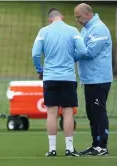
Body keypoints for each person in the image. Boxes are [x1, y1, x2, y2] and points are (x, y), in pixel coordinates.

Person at [32, 8, 87, 157]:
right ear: (62, 17)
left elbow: (35, 54)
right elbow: (83, 51)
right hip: (68, 77)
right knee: (68, 112)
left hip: (50, 76)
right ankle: (69, 149)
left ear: (50, 19)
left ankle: (52, 149)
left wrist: (40, 70)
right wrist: (71, 59)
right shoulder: (73, 30)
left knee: (51, 112)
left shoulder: (43, 32)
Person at [74, 3, 113, 156]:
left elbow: (89, 52)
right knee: (91, 113)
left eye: (78, 16)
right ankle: (95, 144)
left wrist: (69, 56)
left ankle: (102, 146)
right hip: (89, 79)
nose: (77, 20)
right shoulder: (86, 28)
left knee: (99, 112)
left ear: (87, 14)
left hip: (99, 78)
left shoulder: (99, 29)